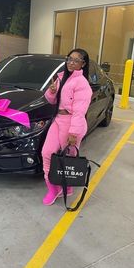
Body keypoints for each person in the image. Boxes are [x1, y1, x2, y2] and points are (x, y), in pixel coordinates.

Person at [41, 48, 92, 206]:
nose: (71, 62)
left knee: (68, 159)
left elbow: (79, 111)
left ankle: (67, 187)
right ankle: (53, 189)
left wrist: (74, 133)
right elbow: (51, 100)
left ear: (83, 64)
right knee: (47, 152)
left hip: (72, 124)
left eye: (76, 60)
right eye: (69, 59)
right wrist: (51, 92)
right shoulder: (62, 77)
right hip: (58, 120)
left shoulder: (82, 83)